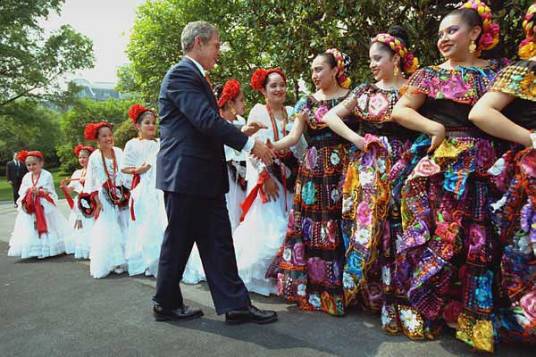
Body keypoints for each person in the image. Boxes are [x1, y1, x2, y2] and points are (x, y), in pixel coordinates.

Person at [390, 0, 506, 351]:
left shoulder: (498, 72)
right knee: (443, 238)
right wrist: (434, 127)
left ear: (474, 34)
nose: (443, 38)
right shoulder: (430, 74)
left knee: (480, 242)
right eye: (440, 33)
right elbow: (401, 110)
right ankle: (430, 311)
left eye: (451, 30)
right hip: (445, 167)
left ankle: (474, 320)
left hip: (487, 166)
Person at [153, 21, 277, 324]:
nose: (218, 51)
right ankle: (165, 304)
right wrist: (251, 144)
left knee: (217, 241)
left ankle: (234, 305)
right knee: (179, 241)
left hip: (201, 177)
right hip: (185, 176)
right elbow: (207, 122)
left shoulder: (195, 77)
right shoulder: (182, 74)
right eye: (216, 45)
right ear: (199, 42)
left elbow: (207, 124)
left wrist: (242, 134)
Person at [322, 28, 420, 323]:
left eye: (378, 58)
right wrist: (358, 140)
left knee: (396, 228)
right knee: (363, 228)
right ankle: (368, 294)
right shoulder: (364, 91)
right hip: (365, 167)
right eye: (371, 59)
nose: (373, 64)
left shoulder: (413, 90)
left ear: (396, 58)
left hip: (400, 166)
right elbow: (328, 116)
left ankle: (396, 293)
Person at [267, 49, 354, 316]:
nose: (314, 75)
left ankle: (345, 289)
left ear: (335, 70)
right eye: (313, 70)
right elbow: (294, 137)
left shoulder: (351, 98)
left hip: (342, 168)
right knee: (312, 227)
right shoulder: (306, 102)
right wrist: (271, 146)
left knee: (341, 223)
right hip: (314, 171)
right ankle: (315, 289)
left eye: (319, 69)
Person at [468, 3, 536, 345]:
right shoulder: (524, 71)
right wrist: (531, 138)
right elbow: (482, 113)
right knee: (524, 253)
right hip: (530, 172)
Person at [182, 79, 265, 285]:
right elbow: (226, 146)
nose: (243, 105)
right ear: (229, 103)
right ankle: (216, 270)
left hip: (240, 178)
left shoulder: (242, 121)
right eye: (241, 100)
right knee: (223, 224)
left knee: (237, 221)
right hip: (223, 177)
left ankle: (232, 269)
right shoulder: (216, 123)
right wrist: (245, 136)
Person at [232, 68, 305, 296]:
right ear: (263, 90)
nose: (279, 89)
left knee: (287, 224)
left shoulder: (292, 112)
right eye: (273, 85)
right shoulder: (257, 111)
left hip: (289, 177)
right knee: (267, 223)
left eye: (282, 84)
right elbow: (251, 147)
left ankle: (285, 276)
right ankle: (260, 276)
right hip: (267, 176)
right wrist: (264, 178)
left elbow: (300, 145)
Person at [121, 104, 167, 277]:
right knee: (147, 223)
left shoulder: (160, 142)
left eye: (153, 123)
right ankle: (148, 260)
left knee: (161, 221)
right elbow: (124, 168)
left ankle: (163, 259)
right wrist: (137, 170)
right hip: (143, 188)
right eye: (147, 123)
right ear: (137, 126)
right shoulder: (132, 144)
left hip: (159, 186)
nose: (151, 126)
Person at [83, 121, 130, 279]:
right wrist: (97, 200)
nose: (108, 138)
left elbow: (125, 171)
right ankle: (113, 261)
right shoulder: (95, 157)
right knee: (109, 226)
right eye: (104, 136)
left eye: (110, 135)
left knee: (124, 223)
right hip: (105, 196)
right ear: (97, 139)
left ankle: (126, 259)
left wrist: (124, 190)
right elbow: (92, 181)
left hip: (121, 193)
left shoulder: (118, 151)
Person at [8, 150, 67, 259]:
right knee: (30, 227)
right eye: (28, 165)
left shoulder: (47, 175)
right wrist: (29, 191)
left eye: (34, 164)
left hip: (43, 204)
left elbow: (50, 191)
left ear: (41, 163)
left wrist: (40, 191)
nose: (31, 167)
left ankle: (47, 247)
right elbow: (21, 191)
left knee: (49, 224)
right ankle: (33, 248)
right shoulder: (26, 176)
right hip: (30, 204)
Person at [61, 144, 95, 259]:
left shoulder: (94, 171)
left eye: (85, 157)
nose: (82, 159)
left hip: (92, 202)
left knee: (92, 225)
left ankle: (94, 248)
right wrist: (64, 186)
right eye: (80, 157)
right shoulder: (76, 173)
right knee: (80, 227)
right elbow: (70, 190)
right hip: (80, 202)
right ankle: (84, 248)